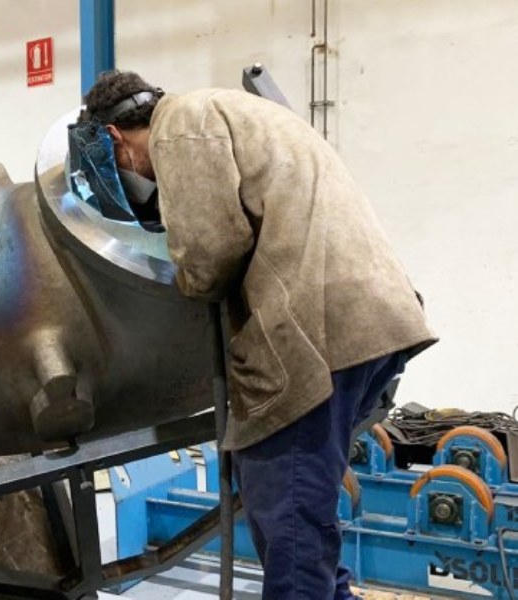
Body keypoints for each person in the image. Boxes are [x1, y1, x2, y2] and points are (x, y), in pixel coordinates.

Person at [79, 70, 437, 599]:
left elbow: (209, 255)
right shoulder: (227, 111)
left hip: (316, 333)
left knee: (288, 511)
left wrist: (177, 275)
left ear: (115, 137)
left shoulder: (179, 128)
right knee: (298, 503)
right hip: (367, 320)